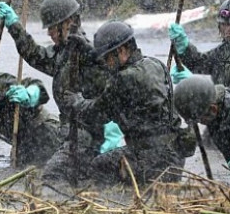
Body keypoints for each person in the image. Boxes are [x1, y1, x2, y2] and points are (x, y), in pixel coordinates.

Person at [0, 0, 111, 183]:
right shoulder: (64, 53)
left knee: (52, 177)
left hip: (85, 137)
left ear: (68, 23)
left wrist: (107, 136)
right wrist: (14, 26)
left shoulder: (87, 55)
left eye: (52, 28)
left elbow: (108, 92)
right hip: (68, 134)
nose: (49, 33)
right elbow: (36, 55)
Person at [64, 20, 195, 186]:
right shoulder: (154, 64)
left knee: (99, 166)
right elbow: (115, 68)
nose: (105, 64)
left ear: (122, 50)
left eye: (107, 58)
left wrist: (77, 102)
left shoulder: (124, 79)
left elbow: (95, 113)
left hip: (152, 158)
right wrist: (88, 49)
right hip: (174, 154)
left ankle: (117, 205)